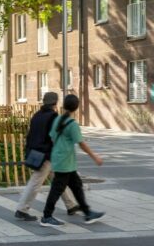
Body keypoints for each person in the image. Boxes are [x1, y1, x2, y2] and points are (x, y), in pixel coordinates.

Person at [40, 94, 105, 227]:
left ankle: (87, 213)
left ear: (64, 105)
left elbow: (52, 137)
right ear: (76, 107)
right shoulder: (72, 124)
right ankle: (46, 216)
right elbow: (81, 144)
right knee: (57, 190)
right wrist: (95, 157)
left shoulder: (57, 119)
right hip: (65, 163)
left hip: (61, 160)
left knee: (77, 186)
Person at [14, 92, 79, 221]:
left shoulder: (37, 115)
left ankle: (71, 205)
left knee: (60, 179)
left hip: (36, 153)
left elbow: (31, 135)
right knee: (36, 182)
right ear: (55, 103)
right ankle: (21, 209)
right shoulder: (54, 117)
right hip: (46, 155)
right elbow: (55, 137)